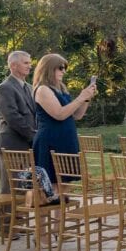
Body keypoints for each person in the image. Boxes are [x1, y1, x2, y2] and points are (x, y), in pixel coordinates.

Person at [32, 53, 97, 193]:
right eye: (60, 68)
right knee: (51, 185)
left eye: (65, 68)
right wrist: (80, 98)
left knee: (65, 183)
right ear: (49, 68)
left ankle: (61, 214)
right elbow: (59, 114)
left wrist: (86, 98)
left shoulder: (61, 88)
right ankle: (51, 213)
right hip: (51, 141)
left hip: (66, 139)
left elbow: (77, 115)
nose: (64, 71)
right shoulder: (43, 89)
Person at [0, 50, 36, 238]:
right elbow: (13, 118)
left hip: (26, 145)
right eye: (26, 63)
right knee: (9, 187)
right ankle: (4, 227)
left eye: (29, 62)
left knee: (23, 185)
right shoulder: (5, 88)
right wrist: (34, 136)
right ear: (13, 66)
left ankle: (17, 222)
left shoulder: (28, 87)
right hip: (11, 144)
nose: (29, 65)